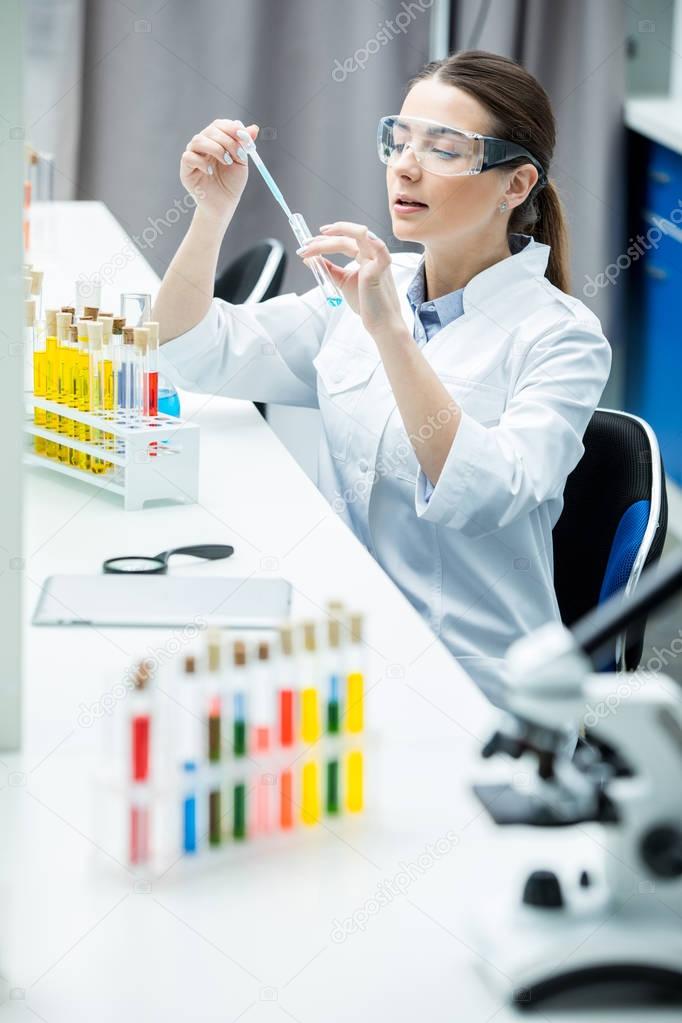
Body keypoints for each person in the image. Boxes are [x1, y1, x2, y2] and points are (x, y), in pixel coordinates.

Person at [153, 50, 611, 706]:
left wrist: (391, 335)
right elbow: (189, 352)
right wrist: (210, 212)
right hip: (340, 657)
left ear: (514, 185)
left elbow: (485, 492)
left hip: (472, 690)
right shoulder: (375, 285)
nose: (406, 164)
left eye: (444, 148)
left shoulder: (562, 337)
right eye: (399, 140)